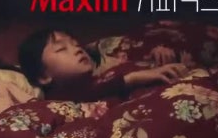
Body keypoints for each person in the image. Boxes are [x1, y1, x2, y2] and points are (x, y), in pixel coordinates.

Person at [18, 28, 188, 103]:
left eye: (76, 45)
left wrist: (158, 56)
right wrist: (134, 78)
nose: (77, 49)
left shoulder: (105, 74)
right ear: (43, 76)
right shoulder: (59, 98)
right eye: (61, 48)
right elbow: (90, 91)